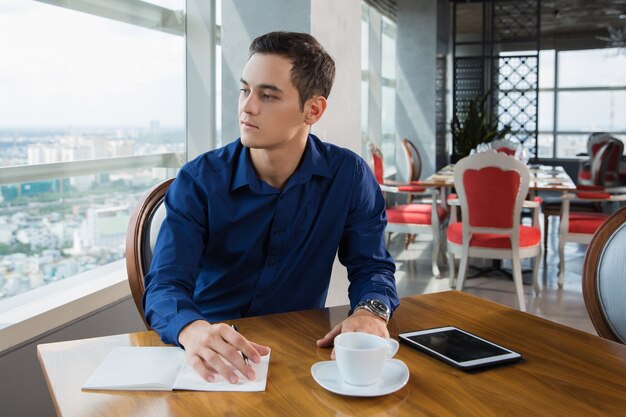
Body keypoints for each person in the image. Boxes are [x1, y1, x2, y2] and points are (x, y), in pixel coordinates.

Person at [144, 31, 398, 385]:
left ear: (313, 109)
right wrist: (191, 329)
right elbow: (165, 284)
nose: (247, 106)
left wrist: (372, 313)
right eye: (245, 89)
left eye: (267, 95)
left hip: (300, 352)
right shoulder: (199, 181)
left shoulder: (350, 177)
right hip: (211, 356)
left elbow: (372, 266)